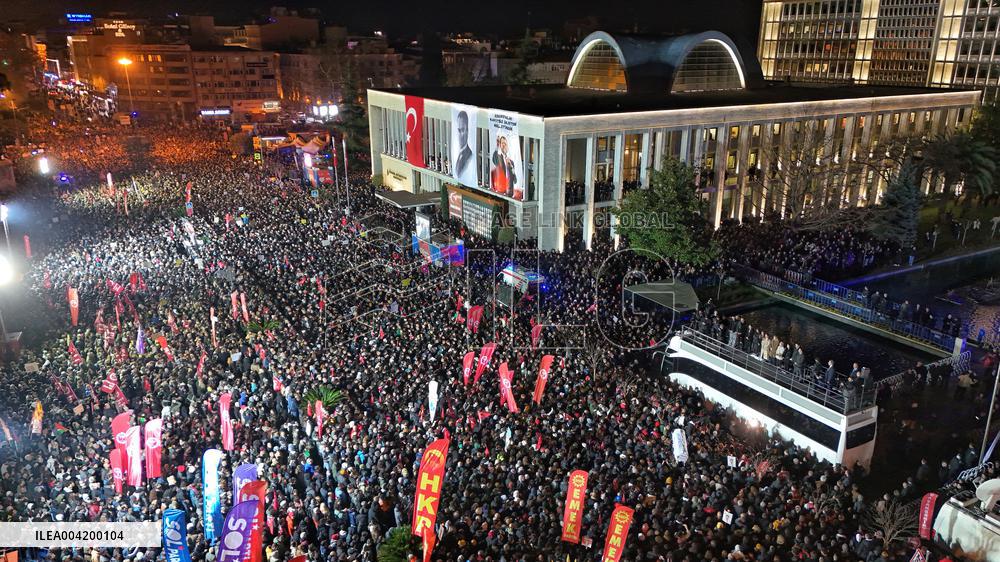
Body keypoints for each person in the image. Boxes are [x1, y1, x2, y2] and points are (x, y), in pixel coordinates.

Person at [452, 110, 475, 186]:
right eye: (458, 130)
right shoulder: (457, 155)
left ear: (467, 130)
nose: (460, 135)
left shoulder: (470, 155)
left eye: (462, 130)